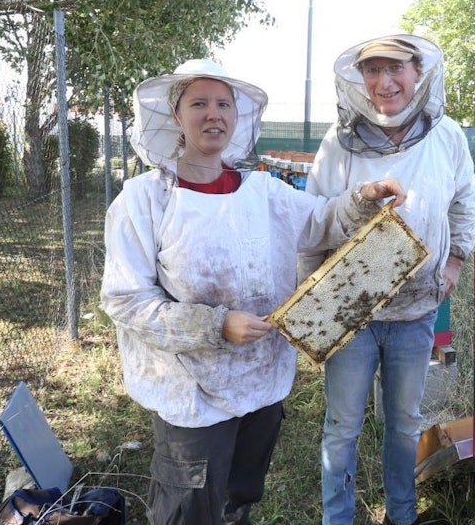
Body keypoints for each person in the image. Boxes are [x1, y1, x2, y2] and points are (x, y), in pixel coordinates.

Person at [100, 58, 405, 525]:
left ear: (237, 117)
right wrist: (215, 324)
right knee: (189, 509)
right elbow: (126, 299)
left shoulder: (264, 191)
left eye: (224, 104)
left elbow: (322, 221)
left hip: (262, 383)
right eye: (198, 103)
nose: (213, 114)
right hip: (192, 393)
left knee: (239, 498)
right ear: (176, 117)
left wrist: (365, 196)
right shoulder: (143, 200)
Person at [300, 35, 475, 525]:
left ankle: (401, 515)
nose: (384, 82)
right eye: (372, 71)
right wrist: (313, 311)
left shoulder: (447, 137)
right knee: (342, 426)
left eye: (394, 69)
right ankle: (337, 519)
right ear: (360, 80)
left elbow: (465, 199)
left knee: (403, 424)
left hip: (417, 309)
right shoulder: (338, 143)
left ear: (418, 73)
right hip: (351, 311)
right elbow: (312, 219)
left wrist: (454, 262)